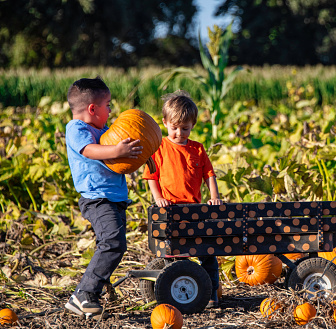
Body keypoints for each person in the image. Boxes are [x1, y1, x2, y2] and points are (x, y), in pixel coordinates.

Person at [64, 77, 143, 316]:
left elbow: (118, 160)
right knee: (113, 243)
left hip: (115, 197)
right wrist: (118, 150)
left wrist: (138, 153)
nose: (110, 110)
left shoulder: (105, 131)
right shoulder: (77, 129)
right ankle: (84, 294)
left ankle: (91, 292)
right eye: (107, 105)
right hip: (97, 199)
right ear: (92, 109)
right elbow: (89, 150)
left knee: (114, 246)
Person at [143, 90, 222, 308]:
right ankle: (176, 290)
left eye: (185, 128)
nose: (179, 133)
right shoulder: (158, 148)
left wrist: (214, 197)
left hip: (195, 210)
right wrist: (158, 197)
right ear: (165, 123)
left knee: (207, 253)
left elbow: (209, 174)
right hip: (171, 210)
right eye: (174, 128)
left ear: (192, 126)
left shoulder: (197, 148)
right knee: (174, 253)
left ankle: (212, 293)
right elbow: (151, 176)